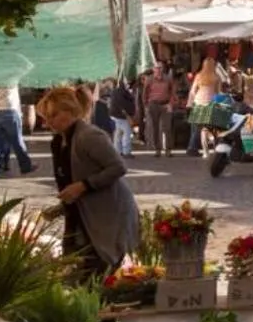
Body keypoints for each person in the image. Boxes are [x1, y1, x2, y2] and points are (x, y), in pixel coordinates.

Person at [36, 85, 140, 280]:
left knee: (91, 276)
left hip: (106, 218)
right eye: (46, 117)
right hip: (80, 218)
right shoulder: (59, 141)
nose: (48, 122)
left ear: (70, 112)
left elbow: (118, 167)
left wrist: (83, 186)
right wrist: (62, 205)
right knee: (72, 272)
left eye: (53, 115)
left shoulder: (89, 136)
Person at [143, 69, 174, 158]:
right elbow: (145, 92)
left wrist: (171, 103)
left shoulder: (168, 79)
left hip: (165, 104)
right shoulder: (149, 79)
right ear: (154, 71)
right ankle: (158, 149)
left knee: (167, 128)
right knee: (155, 127)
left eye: (160, 68)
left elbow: (172, 92)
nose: (159, 71)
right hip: (153, 105)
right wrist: (146, 105)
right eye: (157, 69)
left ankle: (168, 150)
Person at [107, 78, 138, 156]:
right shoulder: (122, 92)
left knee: (118, 133)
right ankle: (126, 152)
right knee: (127, 133)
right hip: (121, 116)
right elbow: (123, 105)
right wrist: (128, 115)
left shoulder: (116, 91)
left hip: (115, 115)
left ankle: (117, 151)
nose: (128, 85)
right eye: (127, 83)